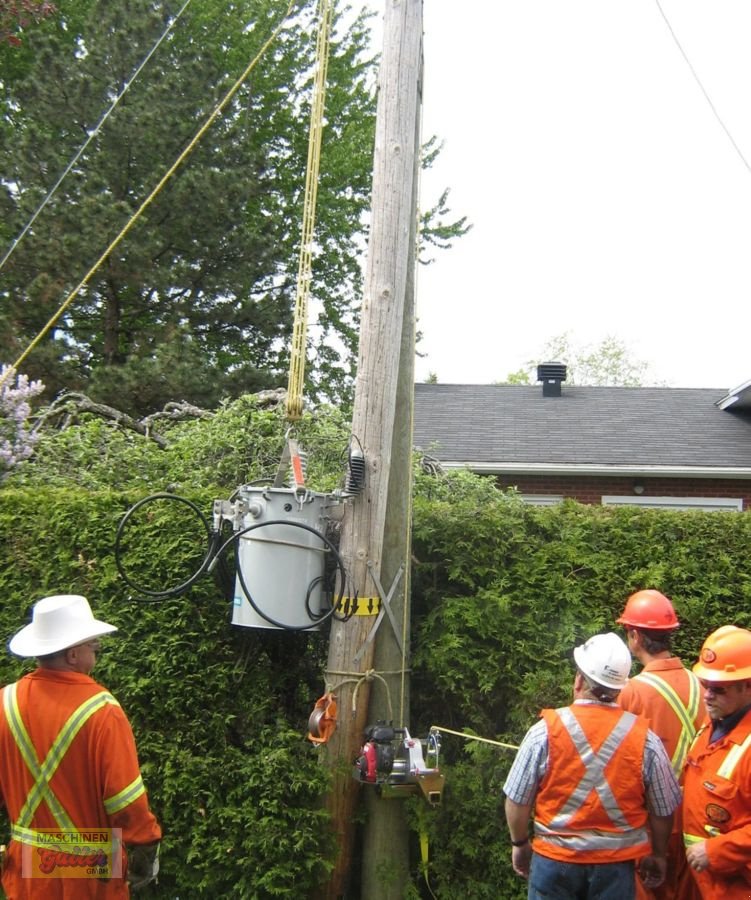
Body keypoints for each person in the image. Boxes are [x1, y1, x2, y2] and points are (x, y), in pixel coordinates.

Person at [0, 594, 162, 898]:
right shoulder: (102, 711)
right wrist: (146, 846)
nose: (96, 655)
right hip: (92, 875)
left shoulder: (4, 703)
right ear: (73, 655)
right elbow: (125, 800)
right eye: (94, 646)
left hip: (26, 873)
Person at [504, 632, 681, 900]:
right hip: (616, 868)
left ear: (578, 680)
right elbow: (664, 809)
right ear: (620, 688)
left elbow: (517, 799)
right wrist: (657, 854)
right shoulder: (645, 739)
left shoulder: (544, 732)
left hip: (553, 863)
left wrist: (519, 843)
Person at [616, 589, 704, 900]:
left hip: (652, 824)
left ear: (635, 636)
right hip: (697, 821)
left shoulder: (631, 693)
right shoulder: (702, 684)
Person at [682, 625, 751, 899]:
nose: (708, 695)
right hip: (703, 883)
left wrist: (716, 851)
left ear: (747, 686)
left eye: (719, 689)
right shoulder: (711, 727)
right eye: (705, 685)